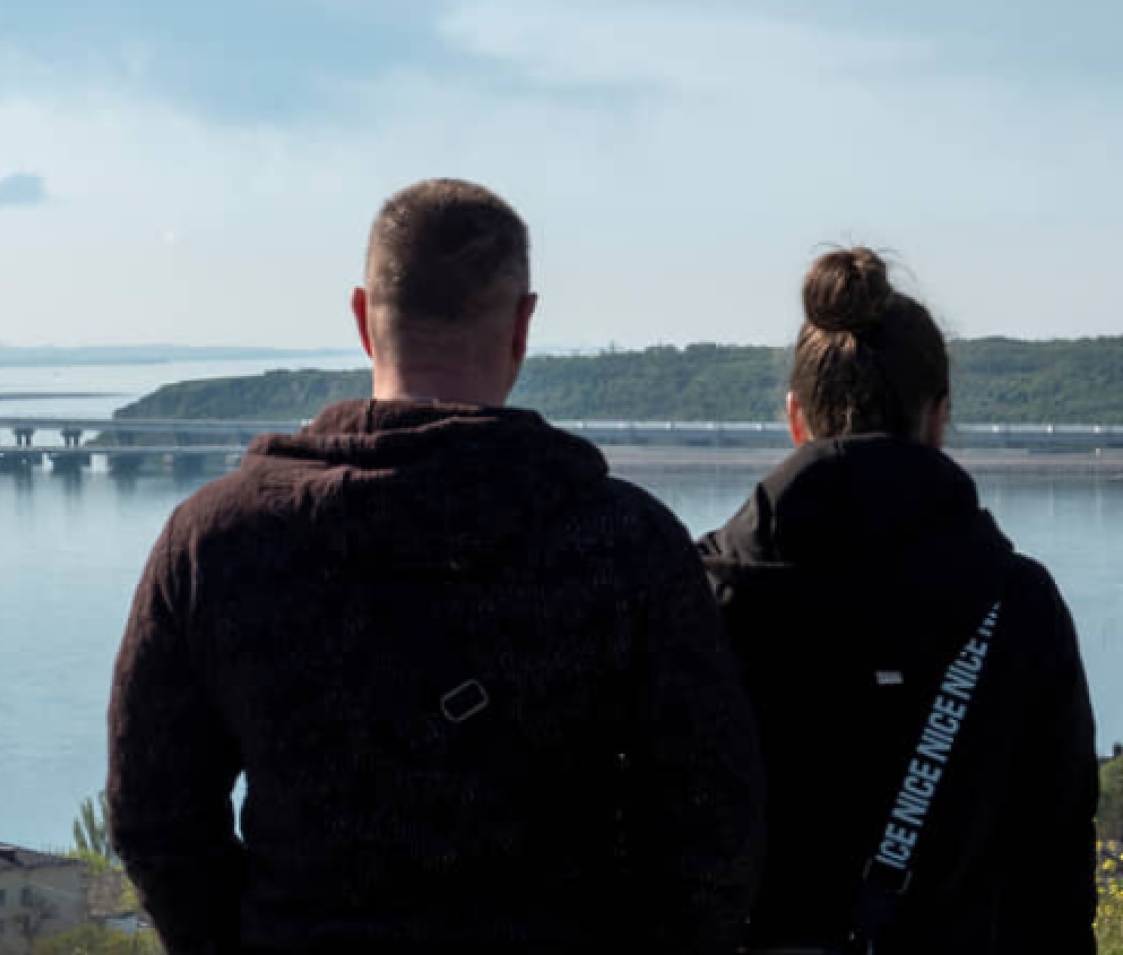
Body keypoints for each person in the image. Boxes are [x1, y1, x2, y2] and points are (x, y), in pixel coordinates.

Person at [107, 178, 763, 954]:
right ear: (523, 325)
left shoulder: (211, 542)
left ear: (361, 317)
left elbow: (152, 818)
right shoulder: (628, 545)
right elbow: (711, 826)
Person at [699, 247, 1098, 954]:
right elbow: (1056, 876)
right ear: (940, 417)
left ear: (796, 417)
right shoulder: (1020, 605)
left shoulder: (701, 594)